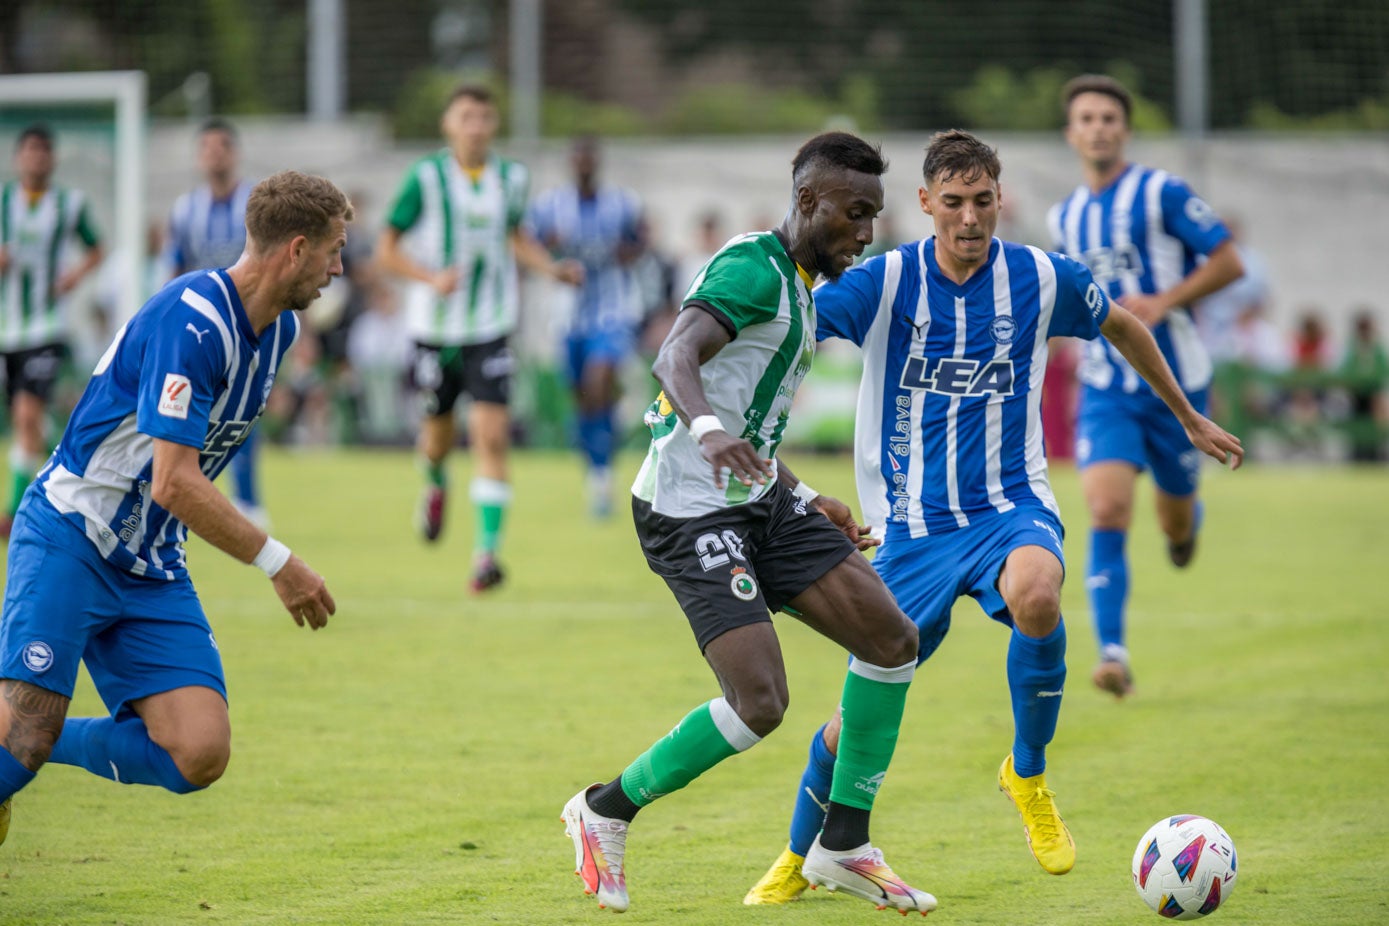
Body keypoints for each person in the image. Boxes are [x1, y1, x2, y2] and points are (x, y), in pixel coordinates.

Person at [743, 129, 1244, 904]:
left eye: (982, 202)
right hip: (908, 529)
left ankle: (1028, 775)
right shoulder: (881, 282)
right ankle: (797, 853)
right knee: (852, 721)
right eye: (952, 203)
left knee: (1037, 592)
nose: (969, 219)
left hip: (1010, 506)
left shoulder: (1043, 278)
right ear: (925, 204)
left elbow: (1122, 324)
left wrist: (1183, 415)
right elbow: (789, 329)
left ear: (999, 201)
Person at [562, 131, 936, 916]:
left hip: (758, 497)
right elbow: (675, 357)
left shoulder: (798, 281)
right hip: (687, 508)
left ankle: (842, 844)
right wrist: (706, 434)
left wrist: (803, 493)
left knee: (891, 641)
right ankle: (604, 810)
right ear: (807, 202)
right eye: (853, 213)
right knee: (760, 702)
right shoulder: (751, 269)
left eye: (874, 215)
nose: (865, 232)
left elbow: (749, 415)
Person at [0, 170, 350, 845]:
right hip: (72, 534)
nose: (339, 269)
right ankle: (23, 738)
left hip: (150, 562)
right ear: (296, 249)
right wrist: (279, 562)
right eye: (334, 251)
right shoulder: (191, 318)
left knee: (197, 752)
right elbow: (173, 483)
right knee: (18, 748)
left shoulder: (276, 331)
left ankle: (35, 738)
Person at [1048, 75, 1245, 698]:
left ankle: (1185, 530)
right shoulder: (1064, 216)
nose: (1098, 127)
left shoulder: (1161, 193)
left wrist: (1165, 300)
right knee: (1105, 509)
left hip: (1177, 386)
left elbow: (1228, 261)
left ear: (1124, 130)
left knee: (1174, 519)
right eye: (1087, 118)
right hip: (1105, 386)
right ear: (1071, 133)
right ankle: (1112, 652)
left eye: (1109, 117)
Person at [376, 84, 581, 592]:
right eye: (466, 116)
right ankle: (434, 483)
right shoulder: (424, 178)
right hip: (434, 330)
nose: (476, 126)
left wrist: (551, 270)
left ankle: (485, 557)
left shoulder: (511, 178)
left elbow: (515, 237)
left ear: (494, 126)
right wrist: (429, 278)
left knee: (490, 438)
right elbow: (386, 249)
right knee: (438, 439)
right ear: (448, 124)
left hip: (491, 327)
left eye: (485, 117)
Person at [526, 136, 646, 518]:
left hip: (612, 308)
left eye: (588, 159)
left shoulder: (621, 203)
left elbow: (640, 240)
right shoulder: (550, 206)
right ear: (570, 163)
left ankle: (603, 468)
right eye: (577, 159)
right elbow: (529, 245)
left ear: (596, 163)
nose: (583, 165)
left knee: (598, 378)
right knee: (582, 396)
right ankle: (597, 468)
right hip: (567, 313)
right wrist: (551, 252)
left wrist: (623, 252)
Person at [0, 124, 105, 534]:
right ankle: (71, 482)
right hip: (7, 329)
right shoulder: (4, 200)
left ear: (52, 159)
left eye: (44, 152)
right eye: (30, 151)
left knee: (27, 416)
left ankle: (14, 510)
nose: (37, 159)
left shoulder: (69, 204)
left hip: (46, 327)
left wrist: (74, 277)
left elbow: (96, 248)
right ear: (18, 157)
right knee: (28, 424)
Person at [164, 118, 269, 527]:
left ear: (234, 152)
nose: (214, 154)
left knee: (245, 409)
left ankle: (247, 502)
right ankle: (191, 494)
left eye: (221, 146)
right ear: (199, 156)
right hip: (200, 330)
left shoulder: (255, 204)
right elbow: (175, 268)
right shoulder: (185, 210)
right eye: (206, 147)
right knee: (195, 409)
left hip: (249, 326)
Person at [1338, 309, 1388, 462]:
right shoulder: (1352, 348)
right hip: (1356, 394)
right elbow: (1345, 370)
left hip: (1373, 394)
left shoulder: (1377, 349)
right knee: (1355, 420)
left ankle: (1374, 453)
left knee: (1375, 420)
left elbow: (1383, 370)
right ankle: (1357, 453)